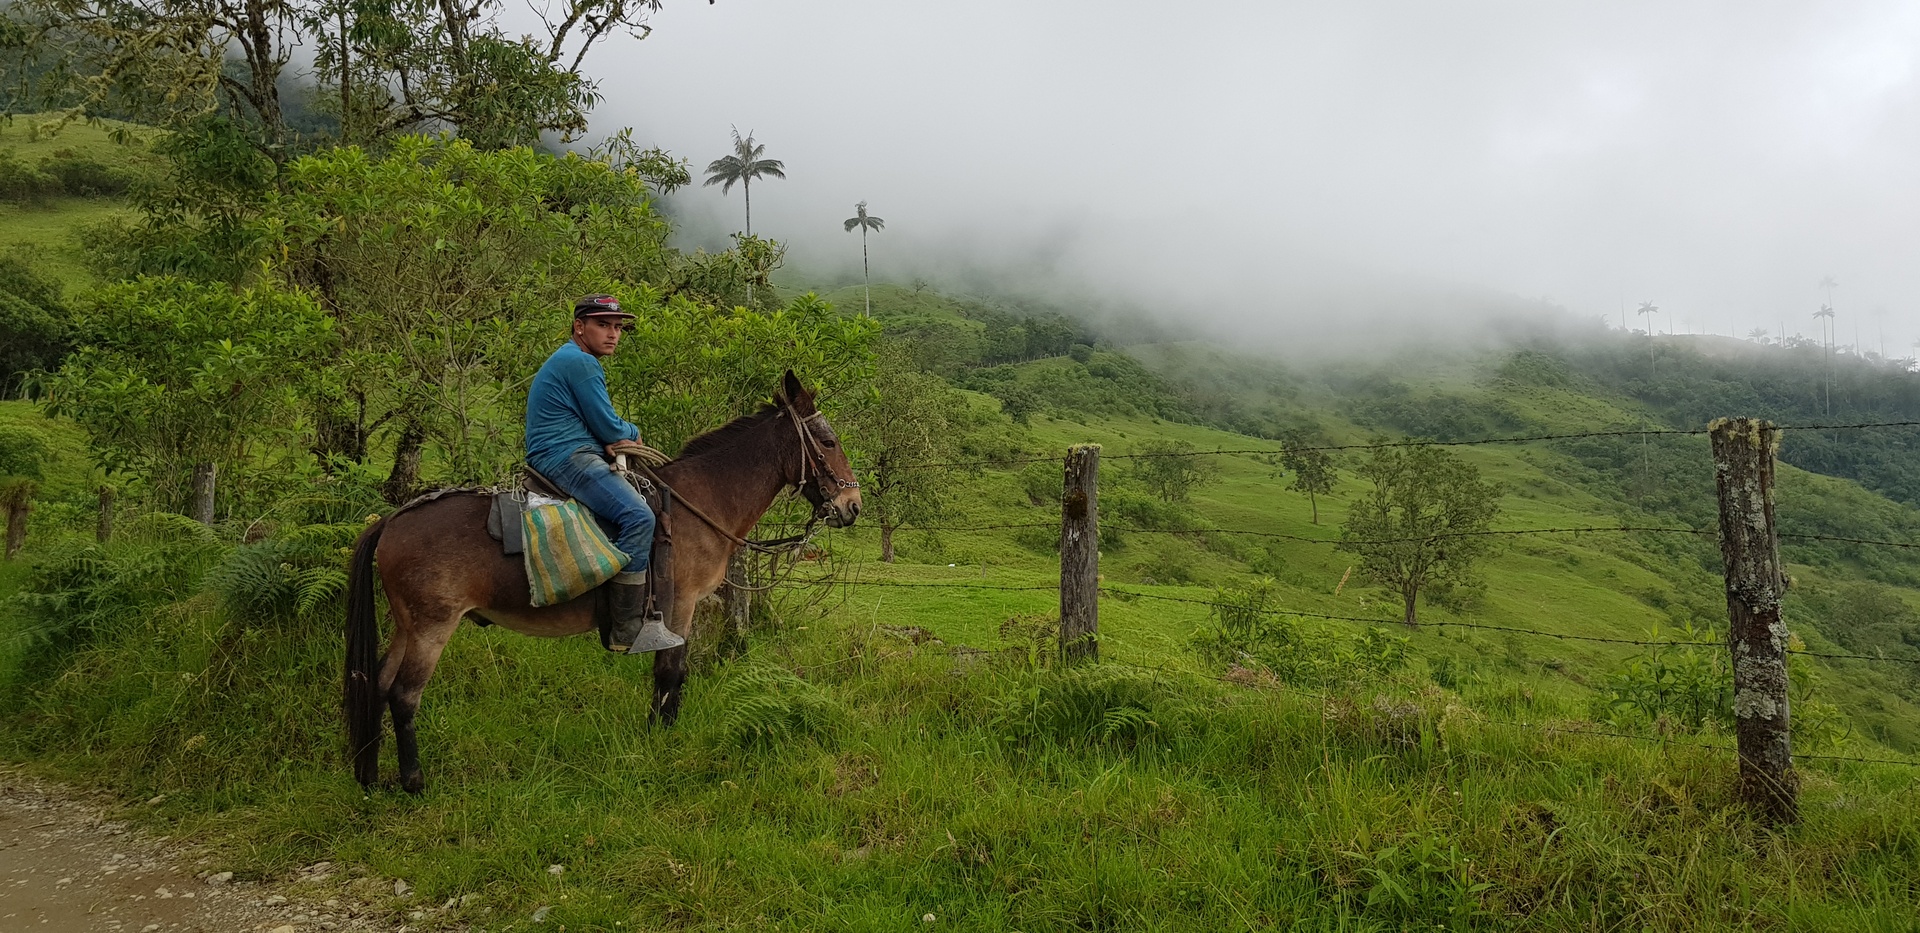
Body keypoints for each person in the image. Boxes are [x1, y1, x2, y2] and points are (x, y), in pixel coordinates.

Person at [524, 295, 683, 654]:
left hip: (565, 450)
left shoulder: (569, 359)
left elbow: (600, 427)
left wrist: (610, 438)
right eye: (603, 325)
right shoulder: (581, 364)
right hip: (566, 457)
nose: (613, 334)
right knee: (639, 515)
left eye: (617, 328)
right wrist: (630, 431)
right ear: (579, 327)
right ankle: (625, 627)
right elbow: (610, 427)